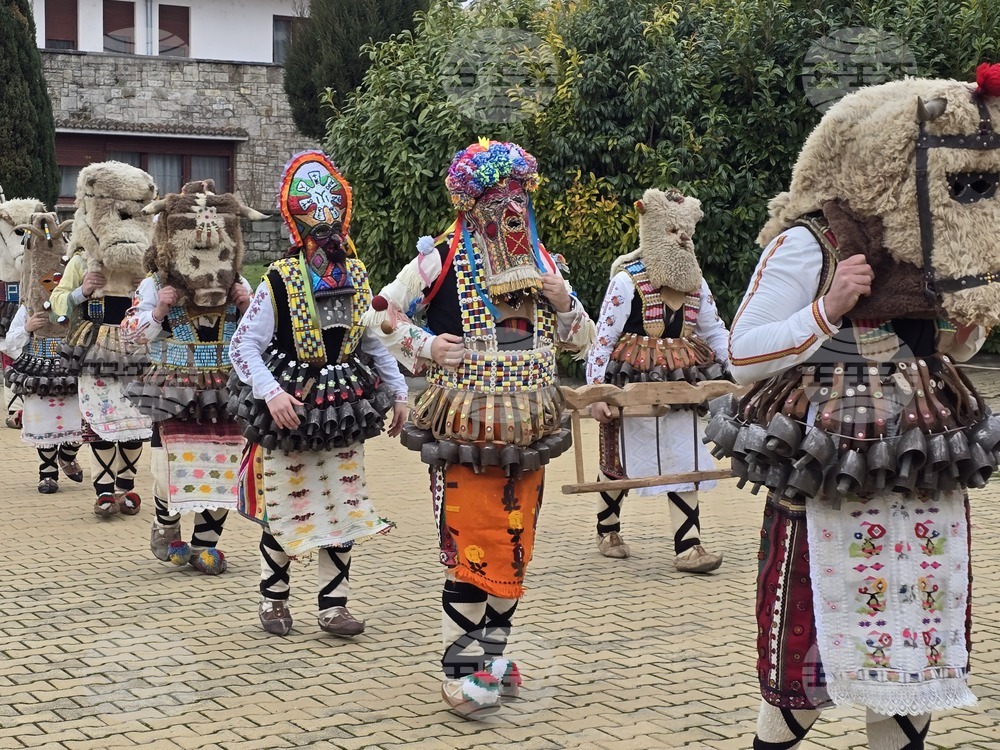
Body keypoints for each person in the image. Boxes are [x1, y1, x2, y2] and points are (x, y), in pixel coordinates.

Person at [710, 69, 1000, 748]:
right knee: (801, 679)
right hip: (826, 485)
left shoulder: (933, 251)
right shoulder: (811, 242)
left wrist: (965, 324)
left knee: (913, 668)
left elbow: (950, 343)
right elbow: (742, 353)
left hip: (920, 487)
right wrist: (827, 308)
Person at [367, 139, 595, 717]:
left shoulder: (545, 263)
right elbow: (378, 312)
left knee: (516, 547)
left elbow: (582, 339)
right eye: (496, 199)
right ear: (472, 204)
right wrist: (423, 344)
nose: (509, 210)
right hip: (466, 426)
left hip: (529, 428)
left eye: (517, 197)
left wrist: (564, 300)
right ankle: (462, 667)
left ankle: (490, 658)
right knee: (470, 543)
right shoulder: (437, 259)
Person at [229, 151, 407, 636]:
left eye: (335, 230)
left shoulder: (358, 275)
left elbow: (373, 339)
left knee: (344, 501)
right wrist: (270, 393)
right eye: (319, 232)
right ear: (301, 231)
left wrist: (399, 393)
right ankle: (274, 599)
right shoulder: (278, 281)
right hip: (291, 403)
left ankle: (334, 606)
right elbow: (242, 344)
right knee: (288, 501)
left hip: (343, 403)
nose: (329, 240)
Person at [121, 180, 262, 575]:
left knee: (225, 464)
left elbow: (262, 337)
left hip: (225, 389)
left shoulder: (240, 286)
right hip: (174, 387)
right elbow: (128, 335)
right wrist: (159, 312)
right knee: (167, 468)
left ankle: (205, 545)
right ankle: (166, 522)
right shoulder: (154, 286)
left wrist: (248, 307)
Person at [585, 188, 729, 571]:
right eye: (671, 230)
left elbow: (714, 331)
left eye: (685, 231)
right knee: (622, 457)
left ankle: (689, 546)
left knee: (685, 450)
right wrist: (596, 393)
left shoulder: (697, 283)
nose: (682, 238)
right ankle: (608, 528)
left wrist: (739, 374)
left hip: (682, 377)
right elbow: (603, 338)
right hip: (631, 379)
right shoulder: (626, 282)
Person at [51, 162, 156, 517]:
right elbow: (56, 305)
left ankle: (127, 486)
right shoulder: (82, 260)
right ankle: (104, 488)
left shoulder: (149, 265)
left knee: (136, 421)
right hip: (95, 345)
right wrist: (81, 292)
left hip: (138, 345)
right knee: (100, 418)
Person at [2, 212, 84, 493]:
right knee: (43, 416)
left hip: (71, 362)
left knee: (79, 414)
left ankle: (68, 455)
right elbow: (10, 343)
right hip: (38, 363)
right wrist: (27, 326)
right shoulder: (29, 305)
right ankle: (47, 472)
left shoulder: (75, 298)